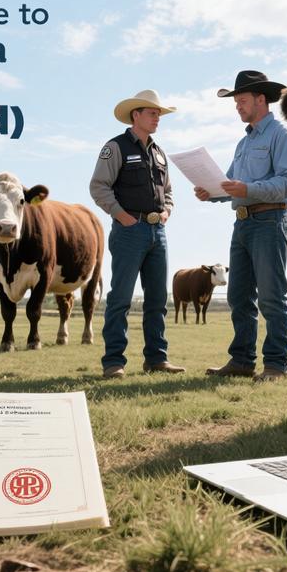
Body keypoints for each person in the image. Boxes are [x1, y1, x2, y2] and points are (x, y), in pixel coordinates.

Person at [195, 71, 287, 382]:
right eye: (236, 101)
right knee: (238, 297)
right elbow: (230, 185)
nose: (237, 106)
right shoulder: (244, 142)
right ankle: (242, 362)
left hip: (270, 222)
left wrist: (248, 189)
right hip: (242, 226)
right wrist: (210, 192)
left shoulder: (282, 135)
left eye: (241, 100)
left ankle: (276, 366)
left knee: (271, 296)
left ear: (260, 99)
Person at [90, 89, 186, 379]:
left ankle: (156, 359)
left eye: (159, 114)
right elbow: (98, 187)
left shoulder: (159, 153)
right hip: (129, 232)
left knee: (157, 299)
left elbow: (168, 191)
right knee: (120, 298)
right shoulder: (115, 147)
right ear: (136, 115)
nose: (158, 118)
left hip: (159, 232)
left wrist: (167, 211)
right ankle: (113, 362)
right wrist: (122, 216)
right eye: (152, 113)